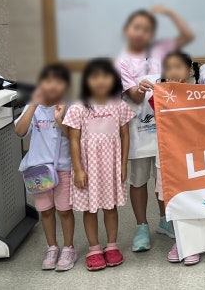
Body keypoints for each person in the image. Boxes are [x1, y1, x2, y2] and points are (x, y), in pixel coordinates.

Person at [114, 6, 194, 253]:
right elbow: (135, 97)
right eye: (137, 28)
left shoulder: (162, 52)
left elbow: (188, 36)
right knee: (138, 180)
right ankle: (141, 226)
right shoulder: (122, 61)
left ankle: (165, 220)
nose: (141, 33)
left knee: (164, 178)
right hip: (137, 130)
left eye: (147, 29)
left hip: (165, 129)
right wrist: (140, 89)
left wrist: (170, 13)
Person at [64, 58, 136, 271]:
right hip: (88, 168)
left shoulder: (120, 106)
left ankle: (112, 246)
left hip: (111, 166)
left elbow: (125, 135)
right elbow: (73, 140)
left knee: (110, 207)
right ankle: (94, 248)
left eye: (106, 76)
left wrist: (123, 165)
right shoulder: (78, 108)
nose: (101, 81)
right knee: (90, 209)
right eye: (95, 76)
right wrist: (78, 169)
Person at [14, 64, 76, 272]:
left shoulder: (69, 107)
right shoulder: (34, 107)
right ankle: (52, 247)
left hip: (62, 168)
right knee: (46, 211)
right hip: (38, 171)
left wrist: (59, 119)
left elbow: (74, 137)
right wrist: (33, 105)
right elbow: (19, 132)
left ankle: (68, 248)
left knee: (64, 210)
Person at [149, 51, 203, 265]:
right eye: (168, 68)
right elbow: (156, 109)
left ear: (189, 70)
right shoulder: (160, 94)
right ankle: (181, 240)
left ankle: (193, 242)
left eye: (177, 67)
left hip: (192, 157)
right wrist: (168, 90)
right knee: (173, 199)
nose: (172, 72)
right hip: (168, 157)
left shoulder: (198, 92)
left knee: (192, 198)